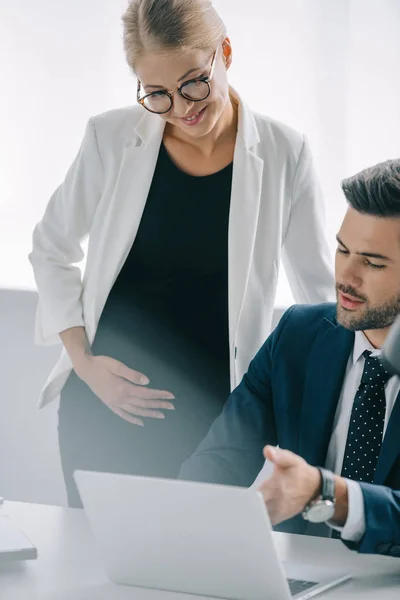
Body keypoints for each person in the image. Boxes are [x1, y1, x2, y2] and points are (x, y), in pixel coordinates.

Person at [29, 0, 333, 508]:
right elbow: (51, 248)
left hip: (217, 423)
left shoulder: (285, 152)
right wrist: (84, 364)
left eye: (193, 81)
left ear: (225, 53)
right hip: (104, 410)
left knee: (203, 574)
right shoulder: (109, 137)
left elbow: (318, 293)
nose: (182, 108)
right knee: (101, 576)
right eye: (158, 94)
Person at [180, 159, 400, 557]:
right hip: (303, 577)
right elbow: (224, 455)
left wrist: (330, 494)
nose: (346, 277)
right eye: (342, 249)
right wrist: (179, 517)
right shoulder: (299, 333)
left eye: (372, 262)